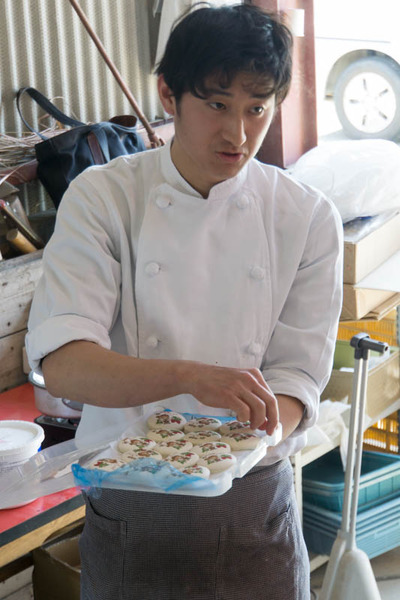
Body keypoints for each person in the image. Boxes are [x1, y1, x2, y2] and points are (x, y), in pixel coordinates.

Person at [26, 3, 343, 599]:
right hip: (131, 500)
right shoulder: (104, 198)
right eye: (217, 105)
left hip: (255, 502)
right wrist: (193, 379)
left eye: (257, 108)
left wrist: (234, 448)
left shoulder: (305, 216)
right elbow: (65, 363)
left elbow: (298, 378)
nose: (238, 134)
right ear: (169, 95)